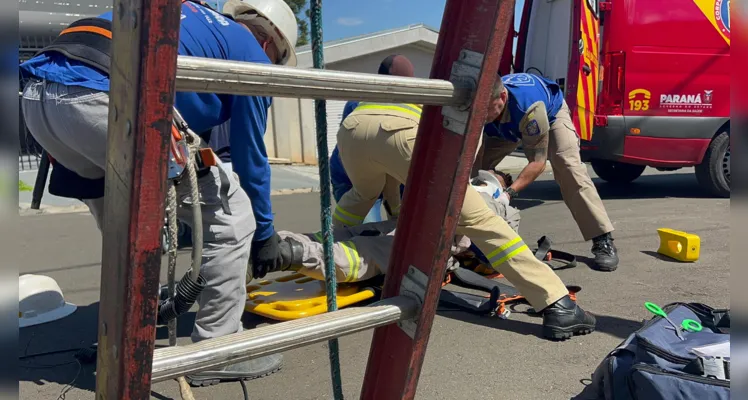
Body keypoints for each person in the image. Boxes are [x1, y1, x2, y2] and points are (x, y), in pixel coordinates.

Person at [19, 0, 298, 386]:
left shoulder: (202, 22)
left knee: (124, 228)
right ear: (271, 45)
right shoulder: (249, 52)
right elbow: (251, 157)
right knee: (234, 216)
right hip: (105, 97)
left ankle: (121, 337)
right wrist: (265, 234)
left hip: (41, 97)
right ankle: (215, 350)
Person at [327, 79, 596, 341]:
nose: (494, 117)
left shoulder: (445, 85)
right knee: (483, 223)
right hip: (400, 132)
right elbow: (458, 174)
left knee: (362, 195)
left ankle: (330, 247)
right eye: (495, 109)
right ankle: (556, 302)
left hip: (353, 128)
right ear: (498, 97)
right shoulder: (473, 106)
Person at [476, 72, 619, 272]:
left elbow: (538, 162)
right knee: (471, 170)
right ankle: (469, 240)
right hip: (505, 125)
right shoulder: (483, 104)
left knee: (567, 166)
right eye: (478, 110)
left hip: (550, 116)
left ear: (501, 97)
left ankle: (602, 238)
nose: (482, 115)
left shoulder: (529, 108)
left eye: (486, 110)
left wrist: (507, 194)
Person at [275, 170, 521, 282]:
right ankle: (292, 254)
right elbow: (494, 253)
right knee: (369, 253)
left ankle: (276, 242)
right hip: (442, 234)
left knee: (354, 234)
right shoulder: (503, 206)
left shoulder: (462, 182)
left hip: (422, 213)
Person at [329, 55, 411, 224]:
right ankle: (336, 242)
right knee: (365, 233)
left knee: (401, 226)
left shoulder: (409, 102)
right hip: (354, 179)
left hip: (391, 174)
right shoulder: (359, 103)